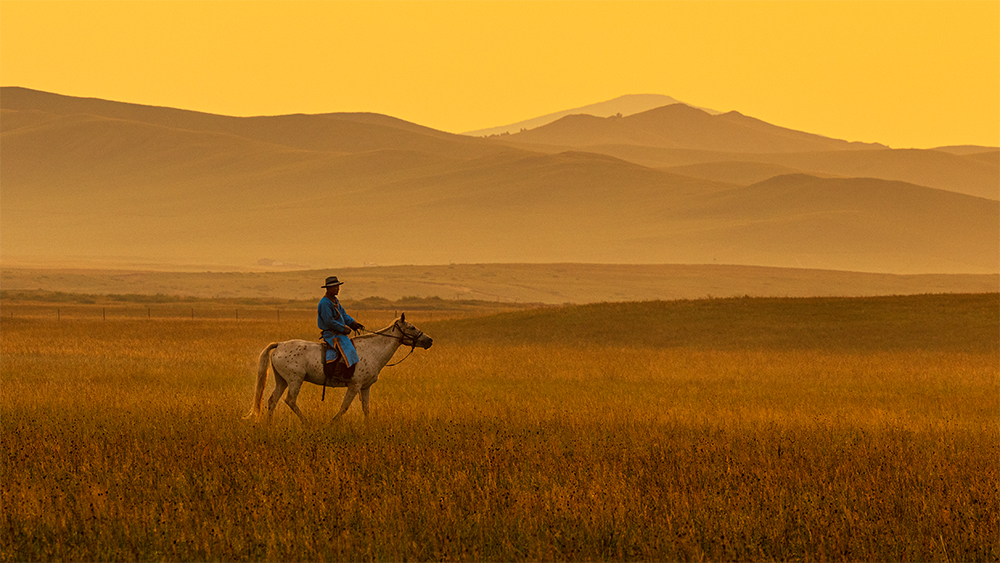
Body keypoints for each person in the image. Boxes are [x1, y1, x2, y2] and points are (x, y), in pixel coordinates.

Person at [318, 276, 365, 381]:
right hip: (332, 334)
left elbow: (343, 315)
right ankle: (337, 375)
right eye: (335, 287)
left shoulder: (335, 300)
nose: (338, 289)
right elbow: (329, 321)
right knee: (349, 351)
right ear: (328, 288)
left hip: (338, 333)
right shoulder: (325, 303)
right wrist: (343, 329)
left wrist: (353, 323)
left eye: (338, 286)